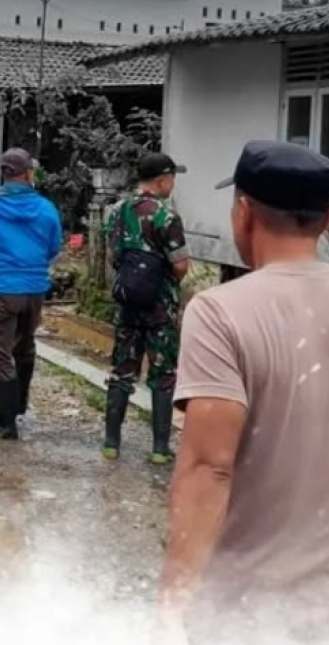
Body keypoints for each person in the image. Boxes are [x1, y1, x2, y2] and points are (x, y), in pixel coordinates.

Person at [161, 140, 329, 644]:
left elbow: (207, 467)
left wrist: (175, 598)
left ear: (243, 210)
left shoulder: (219, 313)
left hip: (247, 609)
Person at [0, 148, 62, 444]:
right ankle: (16, 408)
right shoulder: (46, 208)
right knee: (24, 345)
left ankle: (5, 421)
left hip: (2, 288)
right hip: (34, 290)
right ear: (29, 173)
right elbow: (54, 247)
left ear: (4, 173)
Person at [101, 153, 190, 465]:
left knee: (123, 368)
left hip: (127, 302)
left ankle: (111, 442)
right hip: (159, 307)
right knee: (163, 372)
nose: (173, 184)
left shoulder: (116, 211)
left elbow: (113, 255)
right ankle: (159, 448)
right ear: (163, 179)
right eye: (173, 178)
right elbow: (180, 266)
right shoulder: (166, 217)